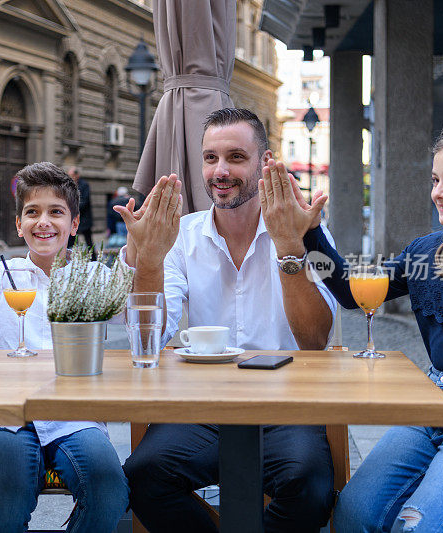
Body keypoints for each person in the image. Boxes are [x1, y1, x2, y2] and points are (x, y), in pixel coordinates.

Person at [0, 162, 180, 533]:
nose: (43, 221)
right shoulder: (0, 277)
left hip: (77, 417)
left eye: (56, 212)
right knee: (10, 501)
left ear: (74, 224)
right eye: (32, 212)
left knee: (109, 491)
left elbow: (138, 313)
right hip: (8, 417)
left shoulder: (92, 277)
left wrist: (141, 253)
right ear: (19, 224)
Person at [272, 124, 443, 532]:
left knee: (416, 526)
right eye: (435, 180)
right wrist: (309, 235)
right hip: (429, 405)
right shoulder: (426, 254)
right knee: (353, 513)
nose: (438, 192)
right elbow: (351, 293)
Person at [117, 108, 337, 533]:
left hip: (286, 406)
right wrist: (149, 260)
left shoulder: (305, 230)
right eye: (210, 158)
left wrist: (290, 246)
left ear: (264, 162)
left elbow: (313, 340)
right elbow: (151, 337)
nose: (220, 170)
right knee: (143, 478)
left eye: (236, 157)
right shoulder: (180, 236)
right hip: (199, 407)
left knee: (310, 486)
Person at [66, 165, 95, 258]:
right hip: (73, 217)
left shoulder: (84, 185)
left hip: (84, 218)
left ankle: (93, 258)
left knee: (88, 240)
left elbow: (85, 201)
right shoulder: (69, 186)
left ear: (77, 175)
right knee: (72, 238)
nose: (70, 177)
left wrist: (72, 209)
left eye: (71, 175)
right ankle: (71, 257)